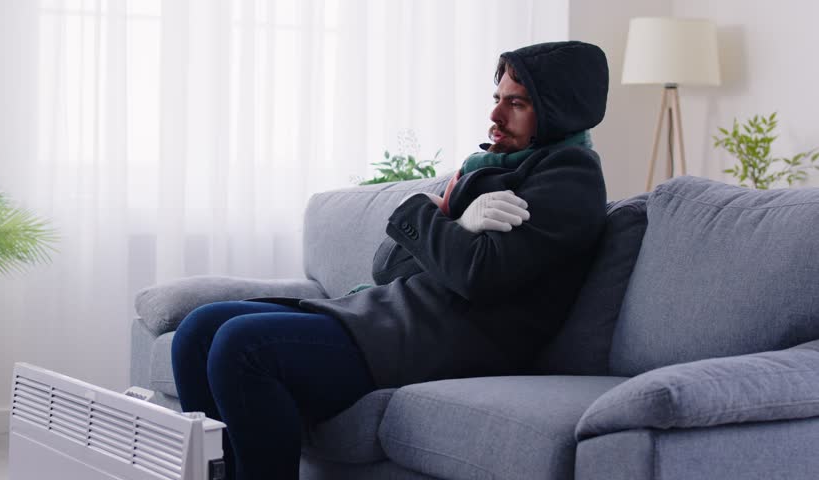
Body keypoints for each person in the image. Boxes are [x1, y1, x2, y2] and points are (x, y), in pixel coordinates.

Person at [171, 40, 609, 480]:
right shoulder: (488, 168)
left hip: (451, 339)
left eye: (517, 103)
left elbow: (479, 274)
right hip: (399, 317)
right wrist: (454, 219)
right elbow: (389, 267)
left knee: (242, 345)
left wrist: (427, 211)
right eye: (497, 99)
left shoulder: (570, 176)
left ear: (558, 109)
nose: (495, 115)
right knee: (196, 330)